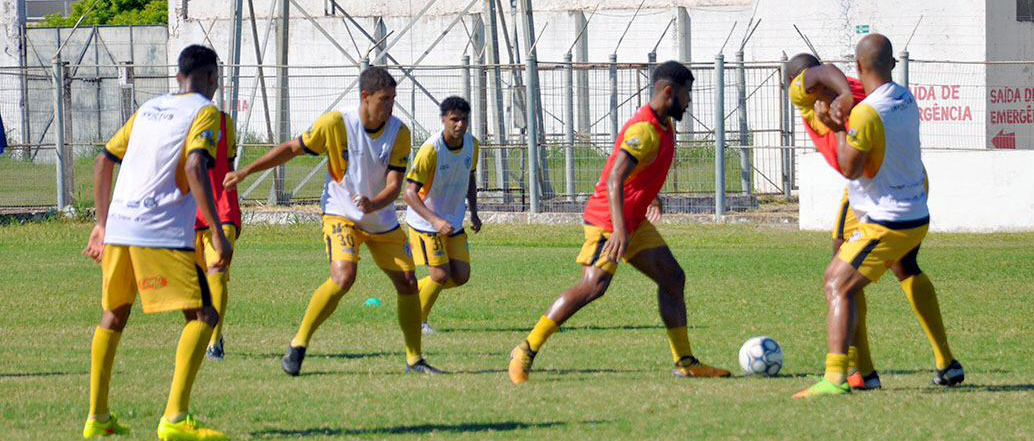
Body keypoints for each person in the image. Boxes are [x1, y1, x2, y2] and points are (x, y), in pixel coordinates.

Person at [507, 60, 731, 384]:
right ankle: (525, 349)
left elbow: (637, 173)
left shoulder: (665, 125)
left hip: (632, 219)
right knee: (593, 286)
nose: (689, 100)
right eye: (686, 93)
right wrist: (620, 232)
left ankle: (684, 361)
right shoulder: (644, 130)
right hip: (608, 220)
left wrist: (650, 195)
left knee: (673, 277)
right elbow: (614, 178)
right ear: (669, 91)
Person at [224, 66, 441, 376]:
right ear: (365, 97)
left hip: (380, 218)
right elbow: (292, 149)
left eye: (393, 99)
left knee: (407, 284)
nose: (390, 105)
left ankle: (414, 360)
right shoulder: (336, 123)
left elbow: (394, 185)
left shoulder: (399, 132)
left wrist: (372, 203)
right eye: (385, 99)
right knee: (344, 277)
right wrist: (246, 171)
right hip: (340, 213)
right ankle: (298, 345)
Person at [793, 34, 963, 398]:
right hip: (910, 196)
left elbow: (850, 167)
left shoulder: (863, 110)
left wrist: (840, 122)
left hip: (883, 210)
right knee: (901, 269)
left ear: (857, 68)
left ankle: (847, 374)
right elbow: (816, 73)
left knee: (839, 280)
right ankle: (944, 362)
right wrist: (843, 101)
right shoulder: (904, 96)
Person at [81, 44, 231, 440]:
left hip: (120, 228)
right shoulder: (205, 110)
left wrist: (101, 224)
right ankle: (176, 420)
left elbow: (102, 161)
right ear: (211, 77)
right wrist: (216, 230)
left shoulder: (148, 108)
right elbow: (195, 164)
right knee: (204, 317)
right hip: (159, 229)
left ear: (179, 75)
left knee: (114, 314)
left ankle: (97, 419)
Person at [402, 96, 482, 334]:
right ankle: (417, 321)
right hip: (425, 224)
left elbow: (470, 177)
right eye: (454, 119)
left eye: (464, 120)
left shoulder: (472, 145)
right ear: (443, 120)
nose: (459, 125)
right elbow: (408, 193)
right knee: (439, 274)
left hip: (453, 222)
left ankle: (414, 291)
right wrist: (434, 220)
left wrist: (474, 213)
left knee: (461, 275)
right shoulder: (430, 150)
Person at [193, 105, 241, 360]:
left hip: (222, 207)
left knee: (217, 273)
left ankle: (214, 341)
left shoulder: (224, 122)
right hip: (188, 210)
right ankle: (201, 333)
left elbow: (228, 163)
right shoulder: (179, 121)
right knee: (195, 281)